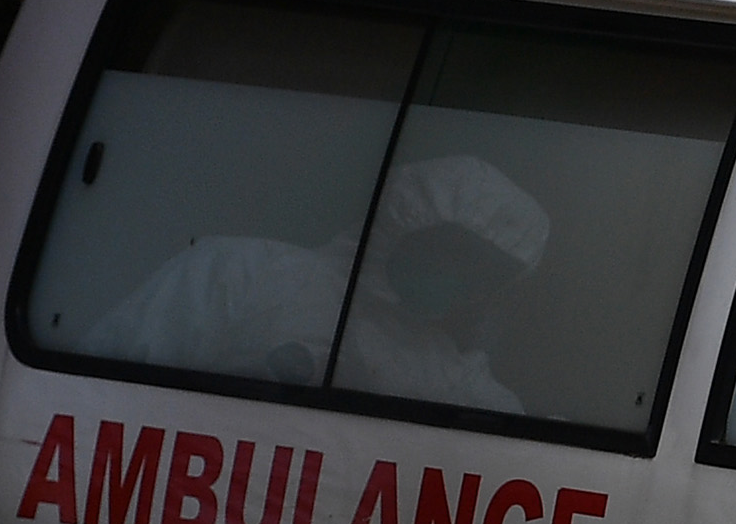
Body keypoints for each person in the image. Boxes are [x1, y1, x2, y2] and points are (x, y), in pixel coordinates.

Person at [78, 152, 547, 410]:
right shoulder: (242, 271)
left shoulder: (443, 371)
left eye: (479, 272)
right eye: (452, 252)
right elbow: (101, 381)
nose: (459, 278)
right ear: (404, 220)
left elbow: (516, 447)